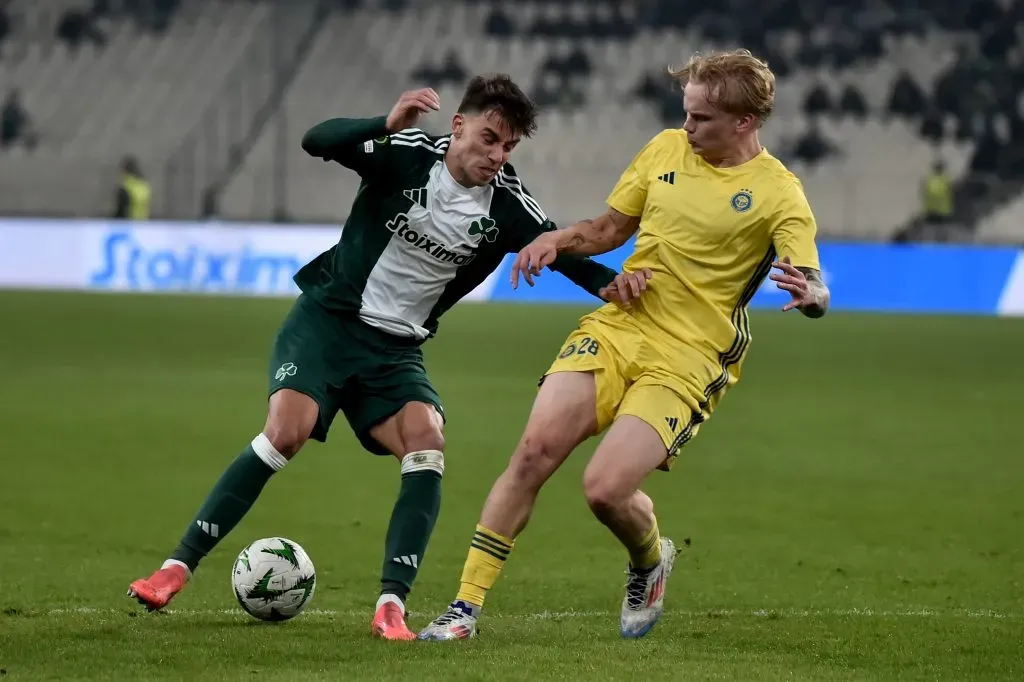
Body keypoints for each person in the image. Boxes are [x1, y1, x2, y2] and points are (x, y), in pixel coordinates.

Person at [127, 75, 647, 641]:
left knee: (427, 440)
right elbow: (316, 140)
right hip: (328, 324)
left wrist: (614, 284)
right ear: (458, 126)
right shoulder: (405, 155)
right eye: (489, 138)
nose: (496, 156)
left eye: (508, 146)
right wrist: (384, 123)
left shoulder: (508, 206)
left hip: (395, 352)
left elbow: (561, 253)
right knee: (286, 431)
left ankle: (391, 607)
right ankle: (175, 568)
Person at [419, 49, 831, 642]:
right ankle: (465, 608)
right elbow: (610, 230)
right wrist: (555, 241)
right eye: (685, 113)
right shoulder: (665, 149)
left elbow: (810, 275)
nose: (686, 128)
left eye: (702, 120)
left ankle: (647, 560)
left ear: (745, 122)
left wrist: (812, 295)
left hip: (691, 355)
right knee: (533, 453)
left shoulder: (778, 192)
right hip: (622, 325)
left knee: (605, 489)